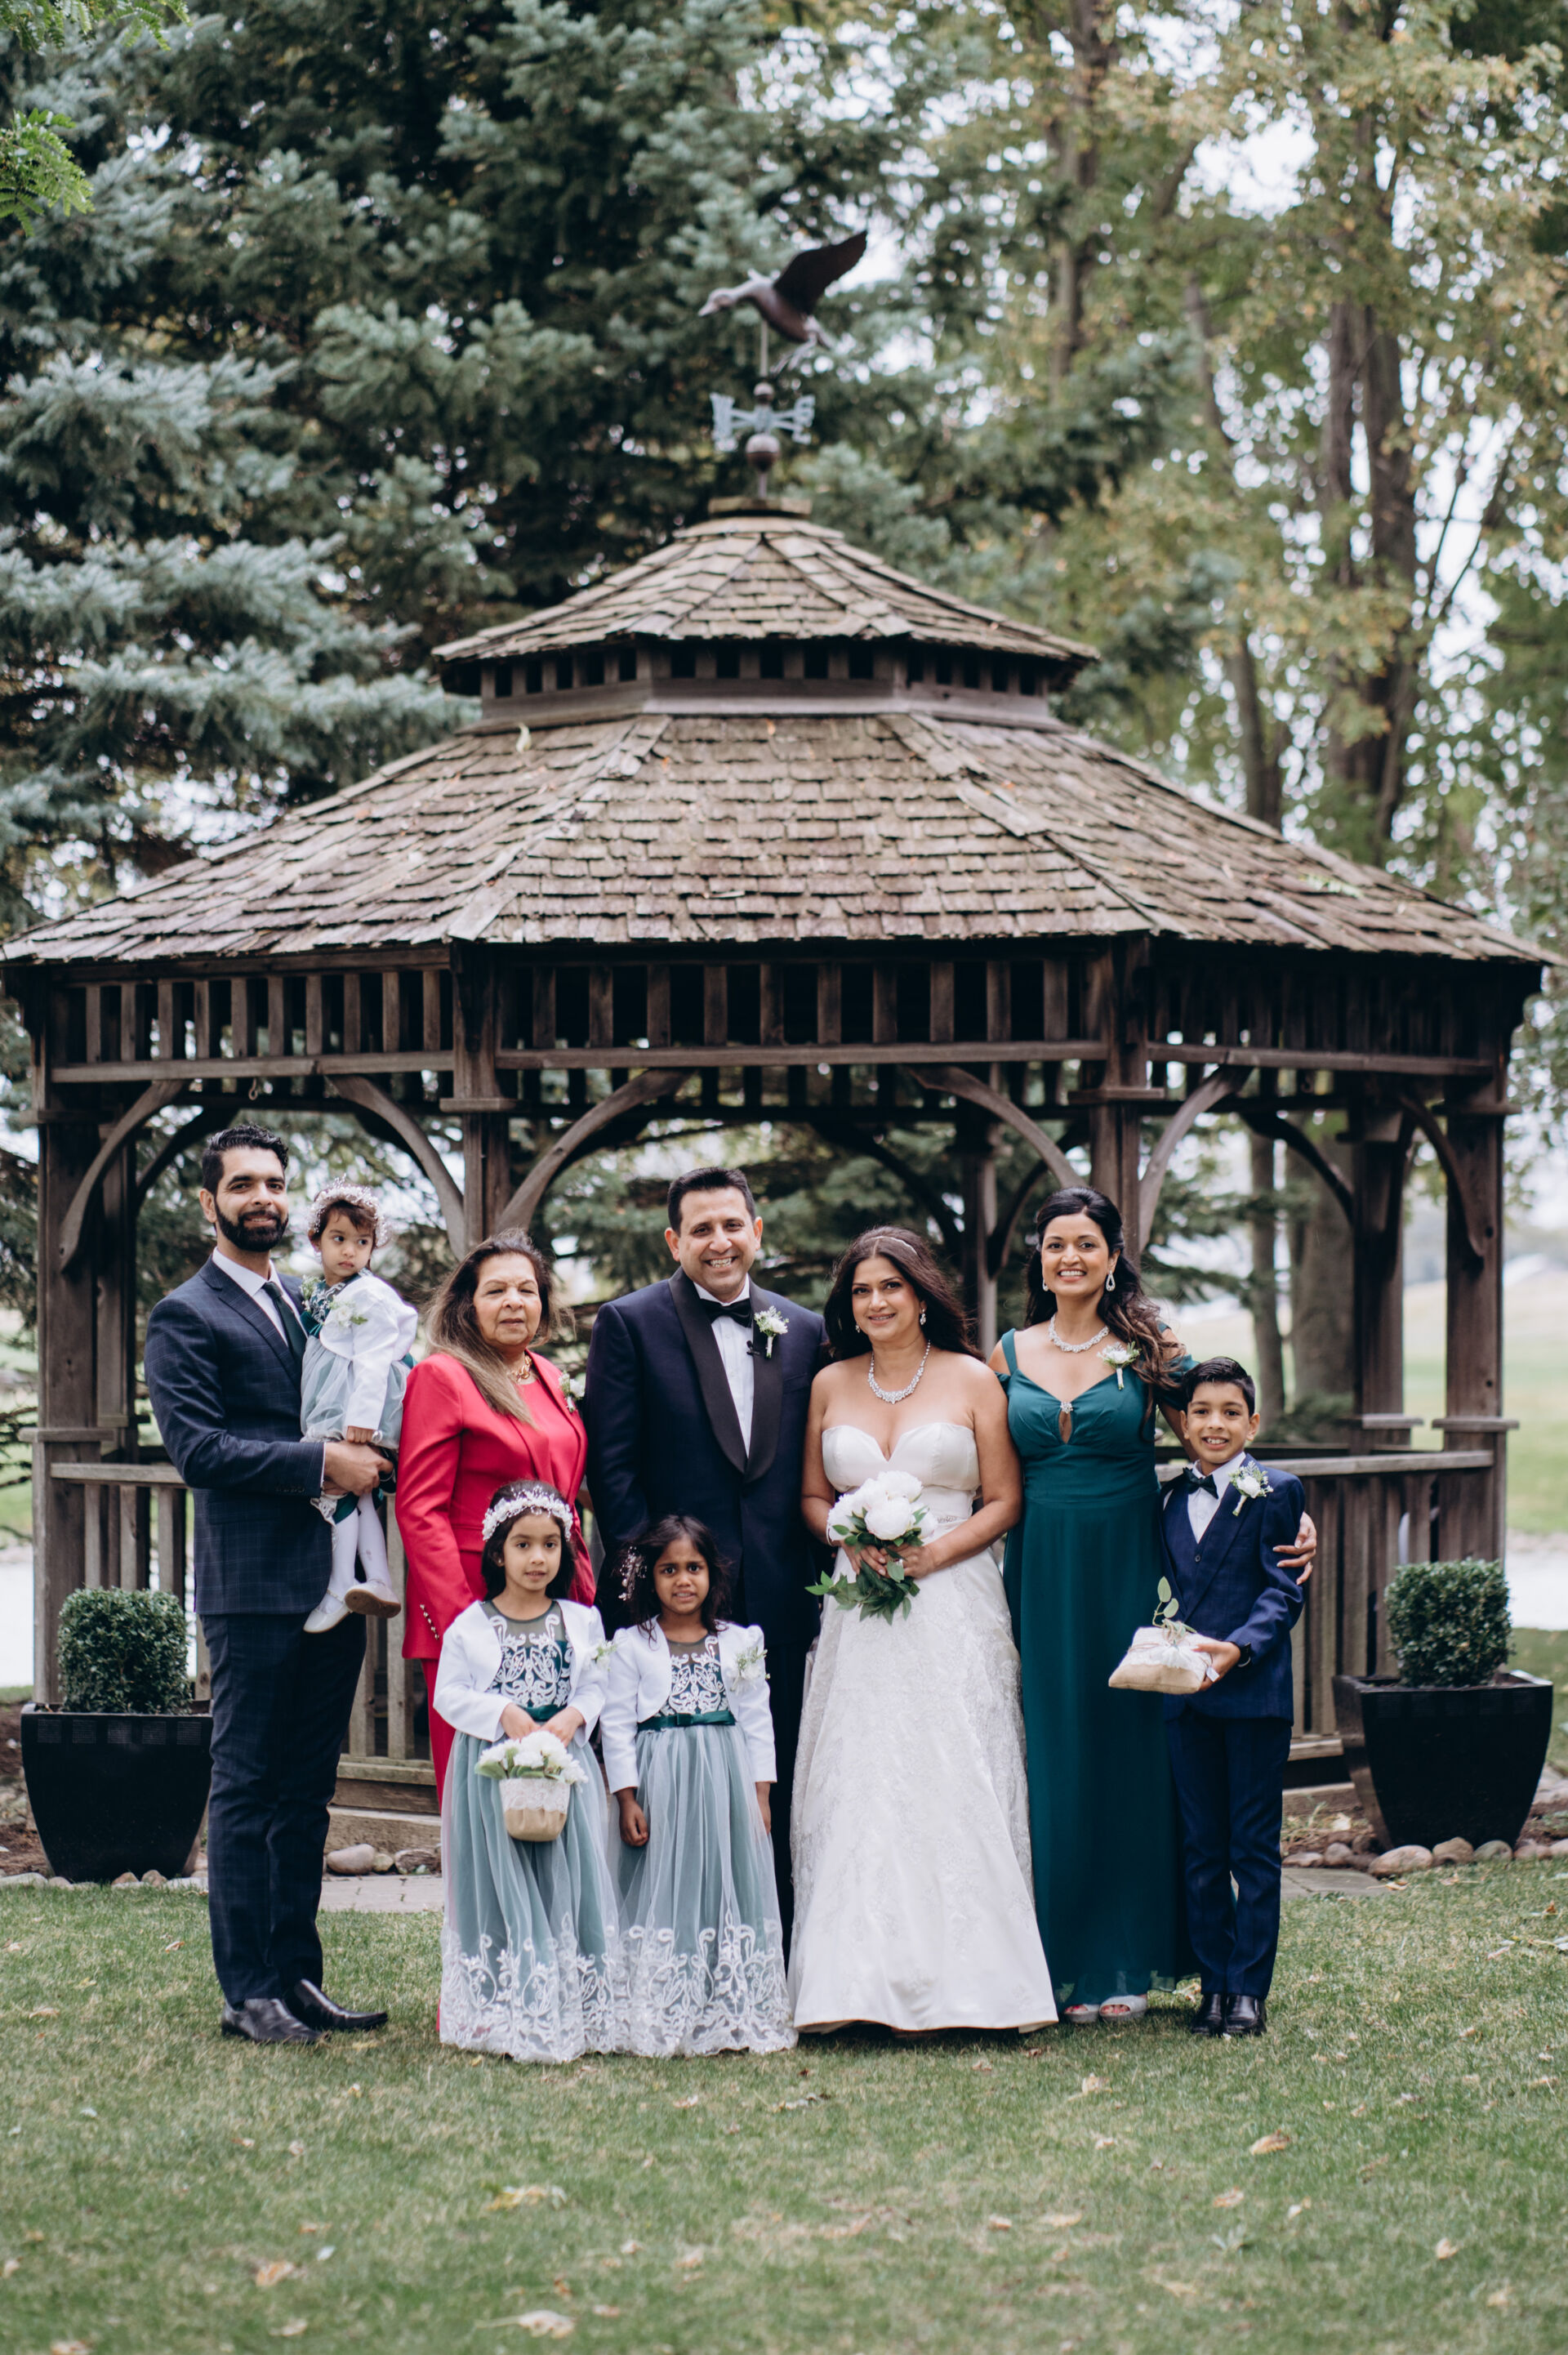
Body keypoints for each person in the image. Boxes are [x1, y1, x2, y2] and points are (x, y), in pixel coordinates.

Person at [992, 1185, 1315, 2026]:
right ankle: (1058, 1956)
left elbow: (1216, 1429)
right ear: (1039, 1258)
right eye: (1056, 1243)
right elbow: (980, 1463)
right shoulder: (1007, 1353)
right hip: (1042, 1567)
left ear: (1112, 1256)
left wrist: (1282, 1509)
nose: (1070, 1257)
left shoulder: (1147, 1346)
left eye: (1087, 1243)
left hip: (1131, 1566)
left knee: (1132, 1750)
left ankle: (1128, 1954)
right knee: (1053, 1747)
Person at [143, 1124, 391, 2045]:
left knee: (306, 1790)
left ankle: (296, 1975)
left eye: (276, 1183)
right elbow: (199, 1451)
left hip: (335, 1582)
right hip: (252, 1586)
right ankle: (246, 1990)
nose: (264, 1198)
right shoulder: (185, 1314)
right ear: (209, 1202)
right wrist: (322, 1462)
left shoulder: (312, 1300)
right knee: (246, 1789)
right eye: (244, 1183)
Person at [789, 1227, 1056, 2035]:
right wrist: (848, 1537)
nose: (876, 1302)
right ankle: (851, 1985)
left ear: (921, 1295)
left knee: (954, 1763)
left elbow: (1005, 1500)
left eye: (891, 1287)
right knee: (865, 1773)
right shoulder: (830, 1382)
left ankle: (977, 1982)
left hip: (954, 1598)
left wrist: (931, 1555)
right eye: (862, 1290)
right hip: (860, 1605)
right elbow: (811, 1496)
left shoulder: (973, 1378)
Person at [584, 1166, 826, 1934]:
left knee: (772, 1769)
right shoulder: (628, 1323)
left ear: (757, 1231)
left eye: (732, 1225)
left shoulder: (804, 1328)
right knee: (669, 1783)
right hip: (675, 1597)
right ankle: (668, 1944)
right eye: (701, 1229)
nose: (719, 1241)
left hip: (781, 1590)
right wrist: (650, 1588)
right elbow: (613, 1470)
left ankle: (774, 1944)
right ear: (674, 1241)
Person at [396, 1229, 594, 1801]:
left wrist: (582, 1599)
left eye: (526, 1290)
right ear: (468, 1304)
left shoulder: (550, 1376)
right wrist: (470, 1625)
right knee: (480, 1792)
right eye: (496, 1290)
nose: (514, 1302)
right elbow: (420, 1508)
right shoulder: (444, 1376)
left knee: (554, 1787)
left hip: (555, 1602)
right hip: (474, 1598)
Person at [434, 1482, 621, 2062]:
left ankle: (573, 2004)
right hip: (494, 1775)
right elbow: (448, 1695)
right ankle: (500, 2007)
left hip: (563, 1769)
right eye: (523, 1544)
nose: (538, 1558)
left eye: (550, 1545)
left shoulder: (581, 1622)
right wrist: (503, 1714)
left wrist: (574, 1715)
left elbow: (598, 1684)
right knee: (501, 1881)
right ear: (497, 1551)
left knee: (569, 1876)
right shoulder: (471, 1625)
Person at [602, 1515, 794, 2057]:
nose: (683, 1580)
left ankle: (727, 2002)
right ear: (650, 1577)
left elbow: (757, 1719)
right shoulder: (632, 1644)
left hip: (723, 1781)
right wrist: (627, 1796)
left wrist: (760, 1794)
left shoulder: (740, 1641)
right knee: (668, 1877)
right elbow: (616, 1725)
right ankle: (662, 2001)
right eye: (669, 1570)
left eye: (694, 1567)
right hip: (661, 1781)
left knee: (721, 1878)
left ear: (713, 1573)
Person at [1160, 1358, 1305, 2040]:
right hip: (1186, 1701)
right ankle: (1213, 1985)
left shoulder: (1278, 1490)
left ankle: (1249, 1989)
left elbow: (1283, 1588)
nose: (1215, 1423)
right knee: (1201, 1849)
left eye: (1229, 1412)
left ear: (1253, 1422)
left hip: (1253, 1696)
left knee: (1252, 1847)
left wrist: (1240, 1647)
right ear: (1184, 1423)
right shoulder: (1166, 1500)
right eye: (1202, 1411)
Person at [299, 1184, 417, 1632]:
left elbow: (373, 1357)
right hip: (339, 1399)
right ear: (316, 1241)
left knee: (335, 1488)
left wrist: (362, 1420)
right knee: (359, 1492)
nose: (350, 1251)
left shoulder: (367, 1293)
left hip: (353, 1408)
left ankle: (341, 1584)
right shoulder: (328, 1292)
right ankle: (380, 1580)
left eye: (362, 1242)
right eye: (339, 1239)